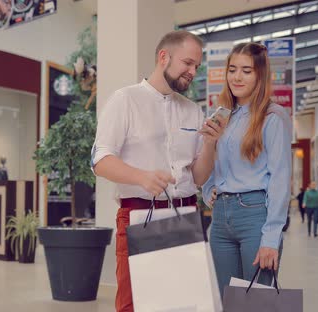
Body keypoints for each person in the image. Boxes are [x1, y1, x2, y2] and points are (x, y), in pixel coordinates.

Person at [91, 30, 226, 312]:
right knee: (134, 304)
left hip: (186, 214)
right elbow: (100, 160)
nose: (192, 72)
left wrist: (211, 143)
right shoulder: (124, 100)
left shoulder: (192, 111)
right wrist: (142, 176)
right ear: (164, 57)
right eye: (188, 63)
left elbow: (199, 177)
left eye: (197, 67)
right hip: (140, 215)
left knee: (181, 305)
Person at [202, 42, 292, 296]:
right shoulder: (221, 115)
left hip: (255, 216)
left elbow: (280, 178)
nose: (237, 77)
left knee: (256, 302)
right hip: (220, 220)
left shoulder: (273, 117)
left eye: (246, 70)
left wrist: (271, 238)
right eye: (232, 70)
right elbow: (210, 161)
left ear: (260, 75)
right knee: (229, 299)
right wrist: (208, 188)